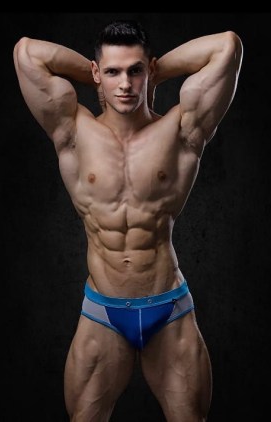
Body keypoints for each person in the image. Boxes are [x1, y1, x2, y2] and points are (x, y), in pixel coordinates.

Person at [13, 19, 243, 421]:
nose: (125, 84)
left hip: (168, 307)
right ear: (97, 73)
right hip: (102, 311)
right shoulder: (72, 130)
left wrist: (156, 72)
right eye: (113, 72)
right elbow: (26, 52)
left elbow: (227, 47)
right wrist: (100, 74)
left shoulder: (181, 131)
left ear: (148, 70)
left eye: (135, 71)